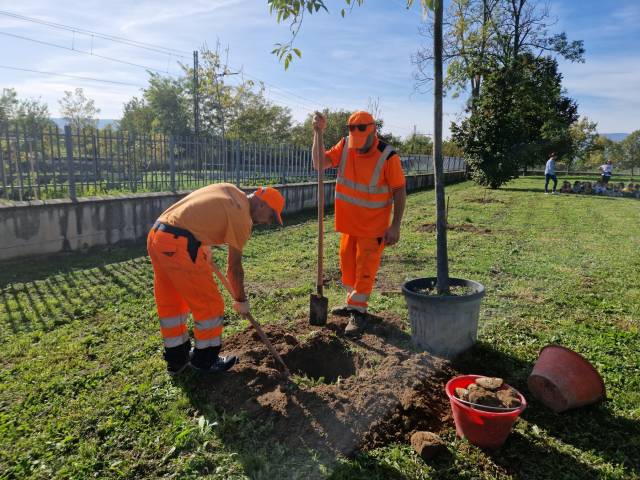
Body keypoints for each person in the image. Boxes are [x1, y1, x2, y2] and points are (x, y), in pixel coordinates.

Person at [147, 183, 285, 375]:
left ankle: (177, 360)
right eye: (271, 216)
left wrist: (204, 246)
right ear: (262, 204)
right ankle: (205, 361)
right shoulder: (242, 218)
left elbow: (203, 213)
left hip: (158, 235)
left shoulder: (231, 191)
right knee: (210, 305)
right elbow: (234, 269)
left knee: (172, 305)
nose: (268, 222)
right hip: (180, 245)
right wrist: (241, 300)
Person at [312, 111, 406, 336]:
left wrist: (396, 225)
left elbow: (399, 190)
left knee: (365, 270)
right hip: (349, 224)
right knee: (348, 268)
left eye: (363, 144)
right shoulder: (346, 145)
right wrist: (318, 133)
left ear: (374, 132)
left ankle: (359, 312)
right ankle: (352, 302)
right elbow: (319, 163)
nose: (358, 148)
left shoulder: (388, 156)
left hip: (373, 228)